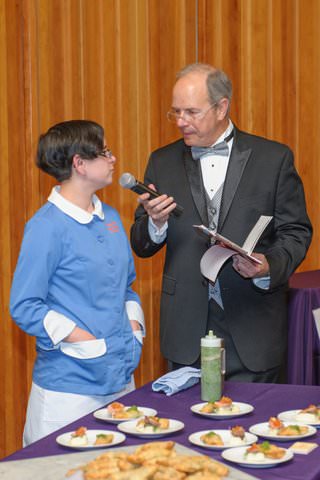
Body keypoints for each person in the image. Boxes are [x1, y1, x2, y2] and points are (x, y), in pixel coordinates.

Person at [130, 63, 312, 383]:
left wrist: (268, 265)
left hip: (253, 325)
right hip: (185, 329)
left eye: (191, 112)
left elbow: (296, 232)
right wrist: (155, 223)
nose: (181, 122)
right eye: (176, 113)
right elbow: (140, 244)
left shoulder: (273, 159)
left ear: (221, 107)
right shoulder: (161, 161)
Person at [10, 120, 145, 445]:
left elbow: (126, 286)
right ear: (79, 163)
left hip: (119, 379)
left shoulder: (111, 217)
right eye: (105, 152)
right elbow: (25, 305)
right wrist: (82, 339)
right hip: (68, 391)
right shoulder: (45, 227)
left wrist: (134, 327)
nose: (113, 159)